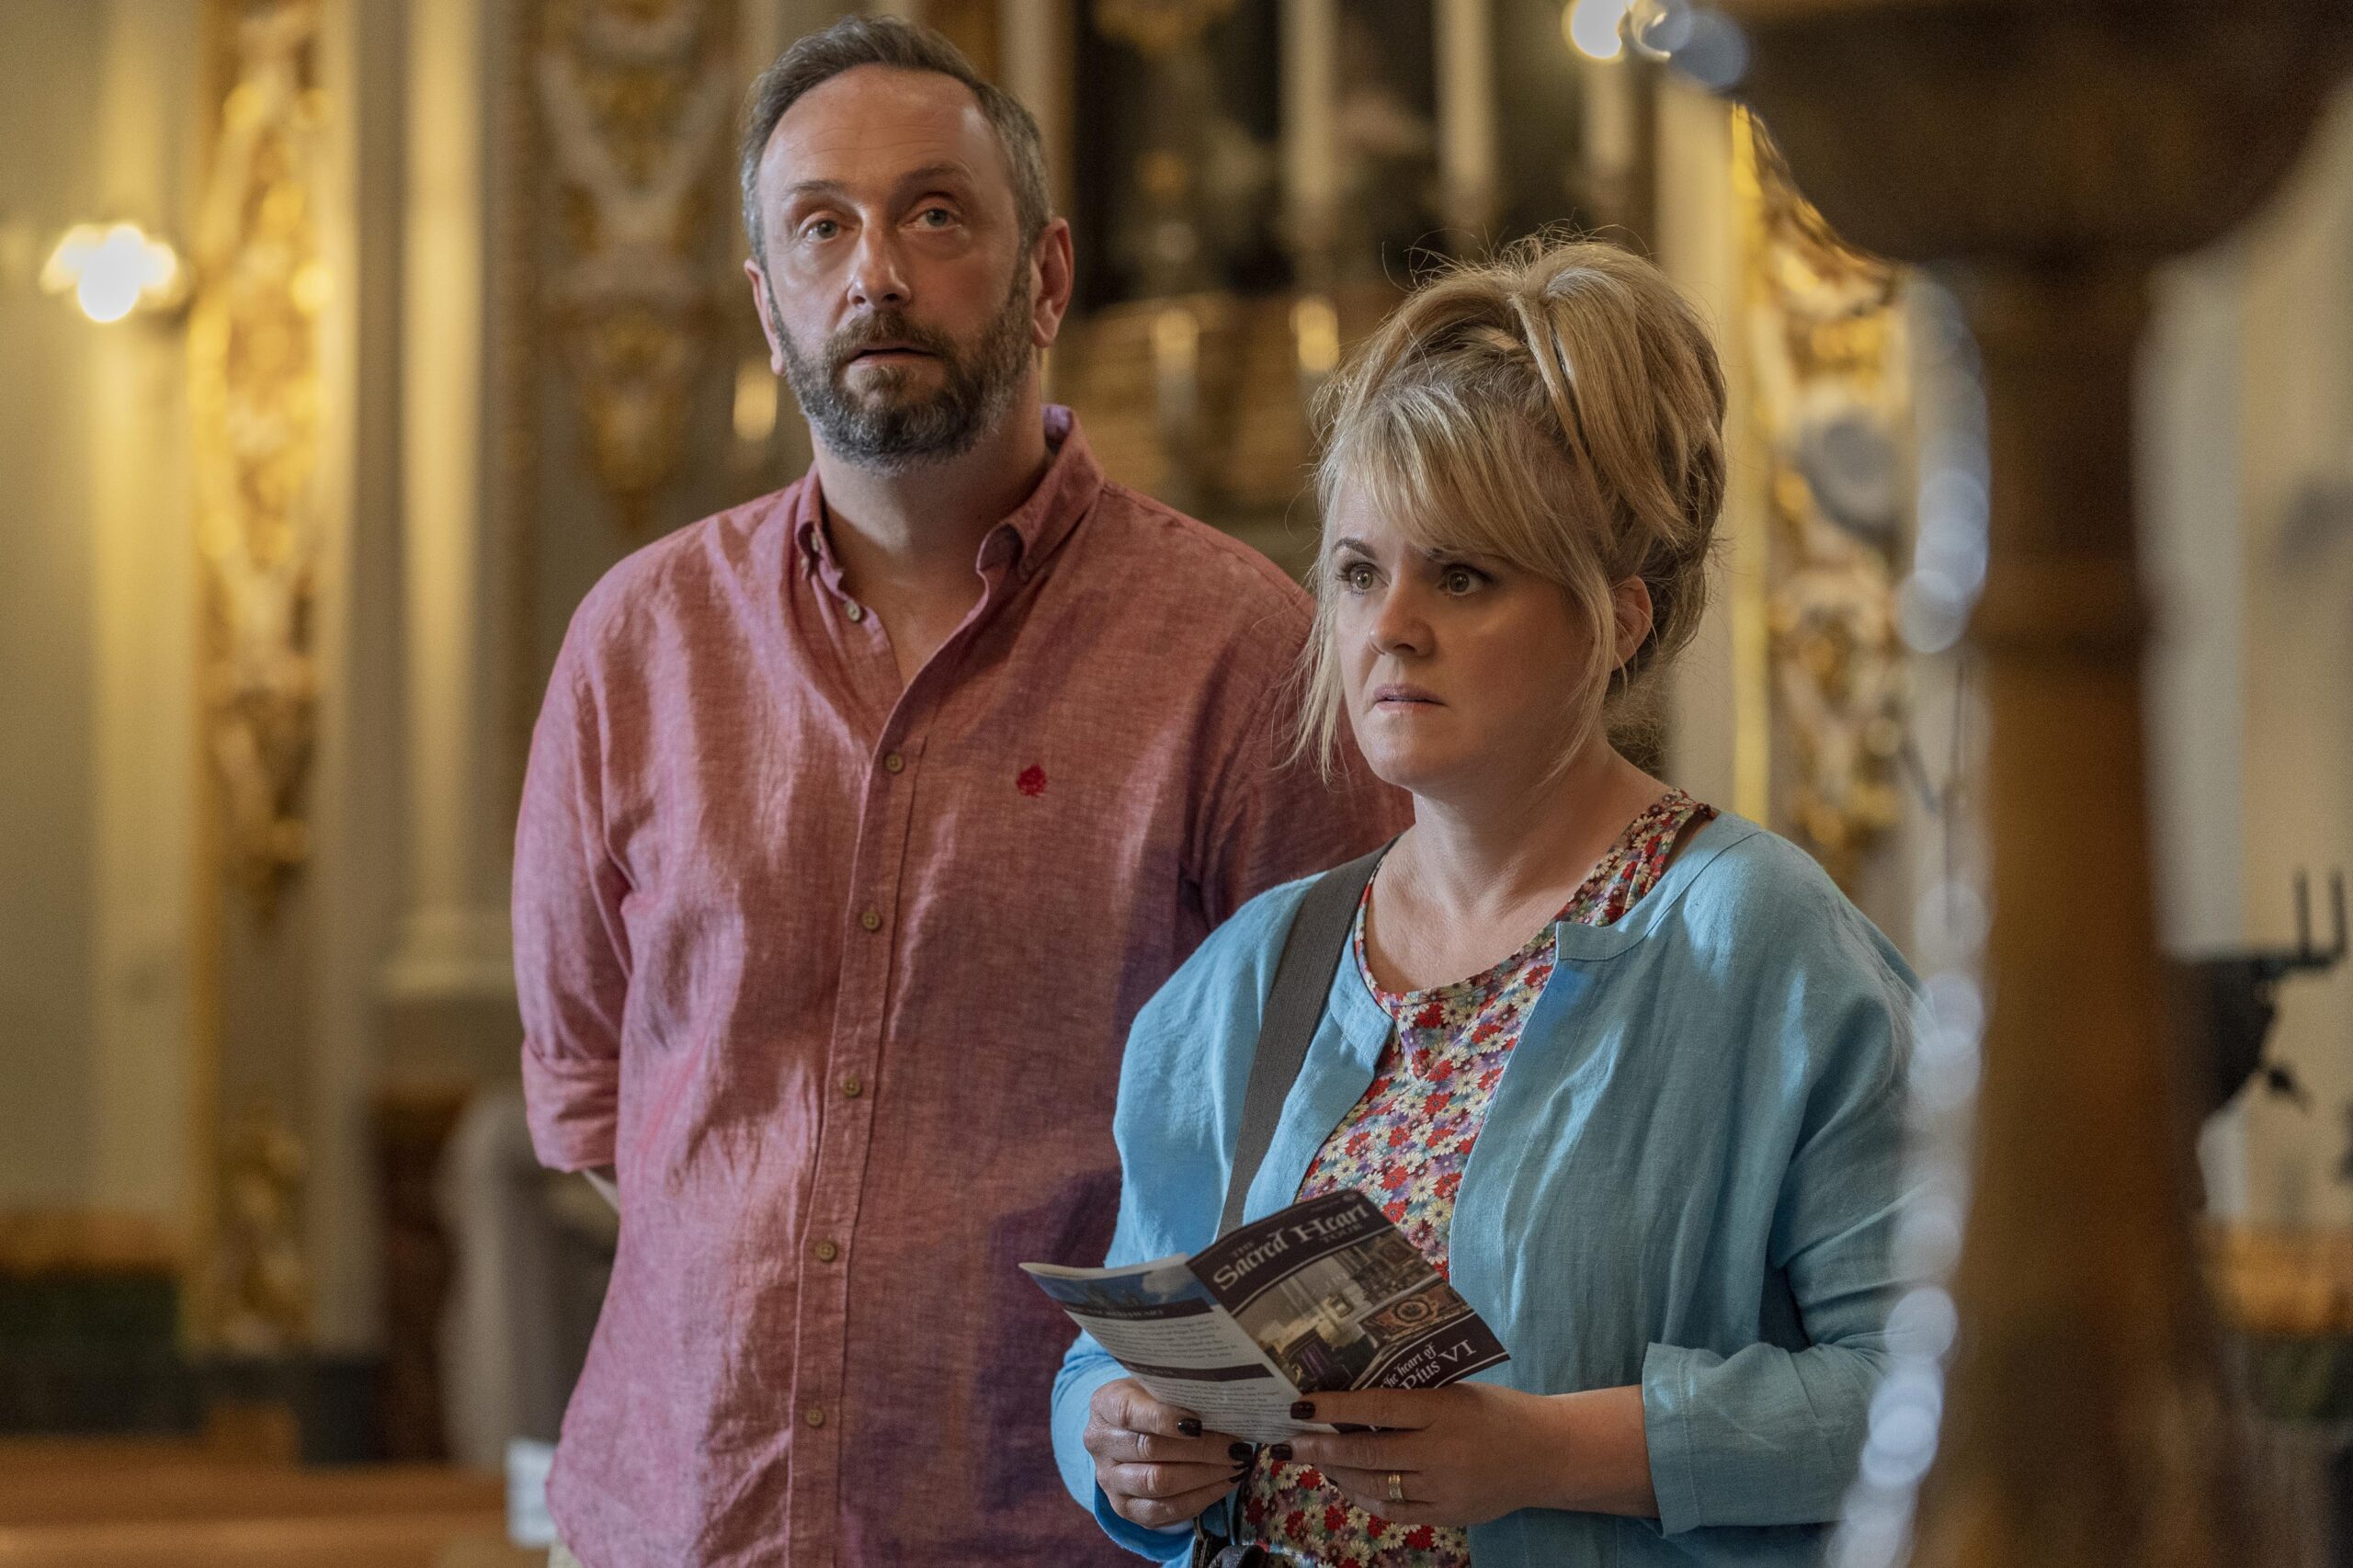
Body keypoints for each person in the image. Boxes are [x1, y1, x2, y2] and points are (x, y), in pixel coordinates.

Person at [514, 18, 1406, 1567]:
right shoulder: (635, 646)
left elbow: (1345, 1113)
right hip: (677, 1515)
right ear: (767, 302)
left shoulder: (1237, 649)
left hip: (1053, 1528)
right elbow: (605, 1102)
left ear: (1048, 275)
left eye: (935, 214)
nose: (877, 271)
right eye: (821, 226)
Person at [1051, 239, 1916, 1566]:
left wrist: (1549, 1451)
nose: (1389, 626)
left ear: (1618, 618)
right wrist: (1121, 1440)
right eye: (1356, 571)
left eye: (1461, 576)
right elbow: (1110, 1355)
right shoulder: (1257, 969)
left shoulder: (1757, 937)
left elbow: (1928, 1392)